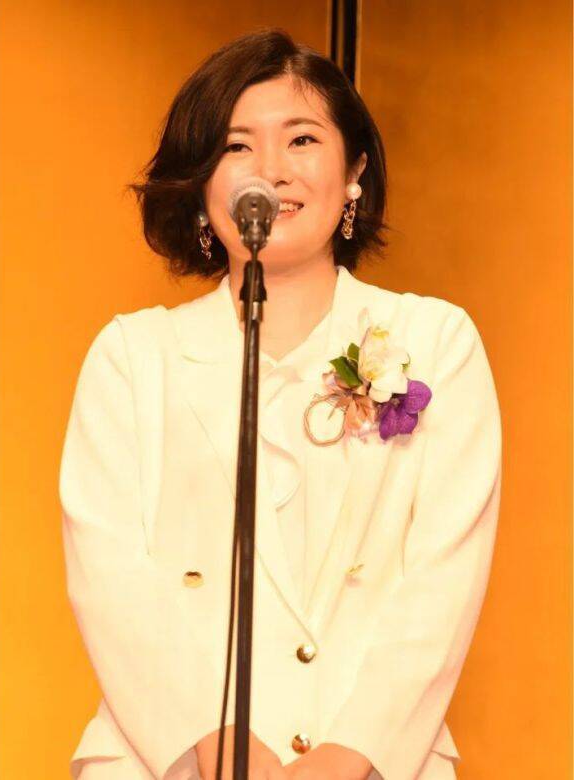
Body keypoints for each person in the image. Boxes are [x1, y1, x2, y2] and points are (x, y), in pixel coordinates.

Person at [60, 27, 502, 780]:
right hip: (169, 760)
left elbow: (443, 578)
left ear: (354, 170)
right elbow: (110, 576)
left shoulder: (436, 341)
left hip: (378, 760)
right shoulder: (133, 357)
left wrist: (345, 757)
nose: (270, 170)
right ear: (202, 182)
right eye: (236, 146)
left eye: (302, 139)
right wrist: (216, 743)